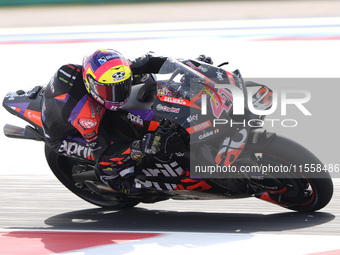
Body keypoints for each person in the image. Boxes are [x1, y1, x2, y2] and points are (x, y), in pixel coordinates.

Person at [42, 49, 213, 194]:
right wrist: (138, 147)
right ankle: (114, 184)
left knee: (147, 79)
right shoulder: (86, 115)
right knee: (113, 168)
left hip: (88, 101)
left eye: (122, 86)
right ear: (91, 84)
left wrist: (190, 67)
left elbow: (151, 62)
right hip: (64, 137)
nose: (118, 95)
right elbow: (103, 155)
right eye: (109, 90)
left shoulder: (112, 71)